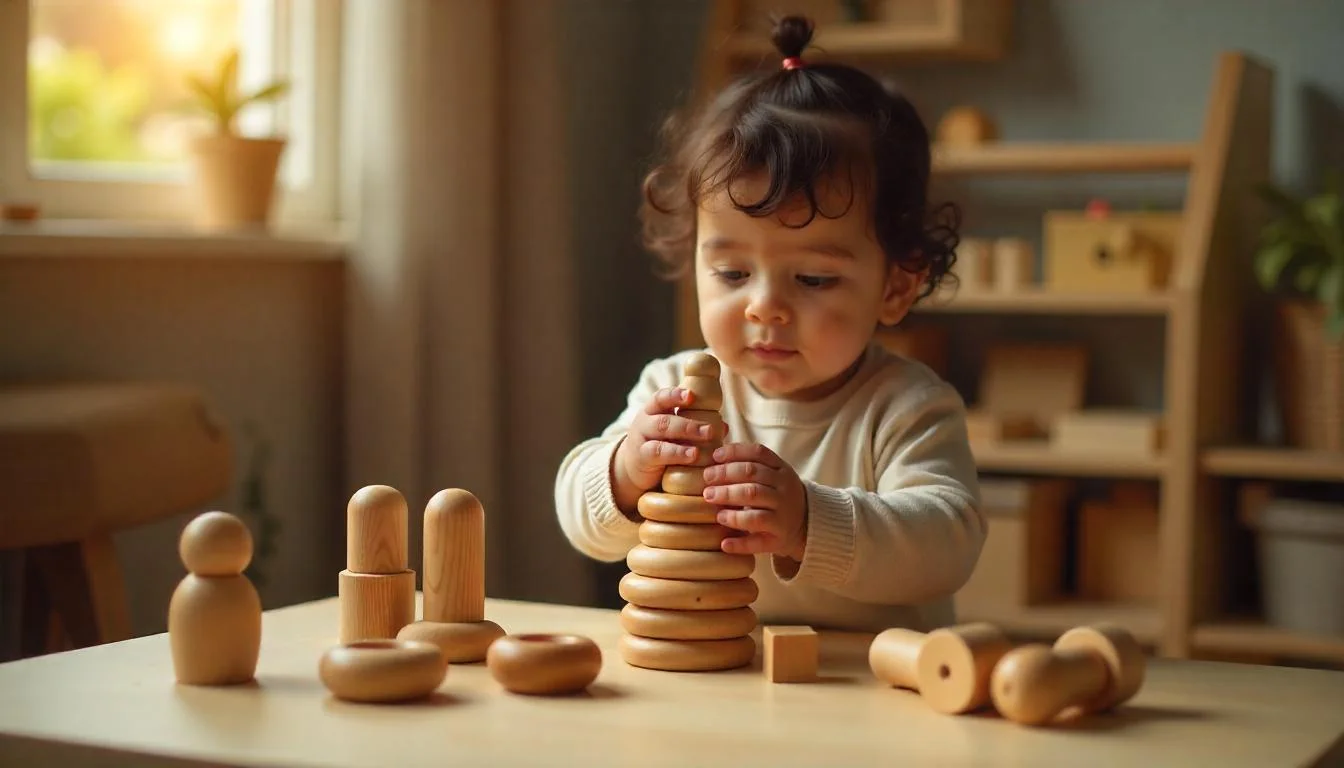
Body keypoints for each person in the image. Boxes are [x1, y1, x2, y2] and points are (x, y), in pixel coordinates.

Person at [554, 14, 984, 633]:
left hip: (867, 693)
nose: (764, 307)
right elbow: (582, 521)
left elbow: (949, 543)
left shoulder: (906, 408)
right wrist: (624, 469)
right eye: (731, 274)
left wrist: (809, 519)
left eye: (812, 279)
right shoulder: (674, 392)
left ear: (895, 286)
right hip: (716, 678)